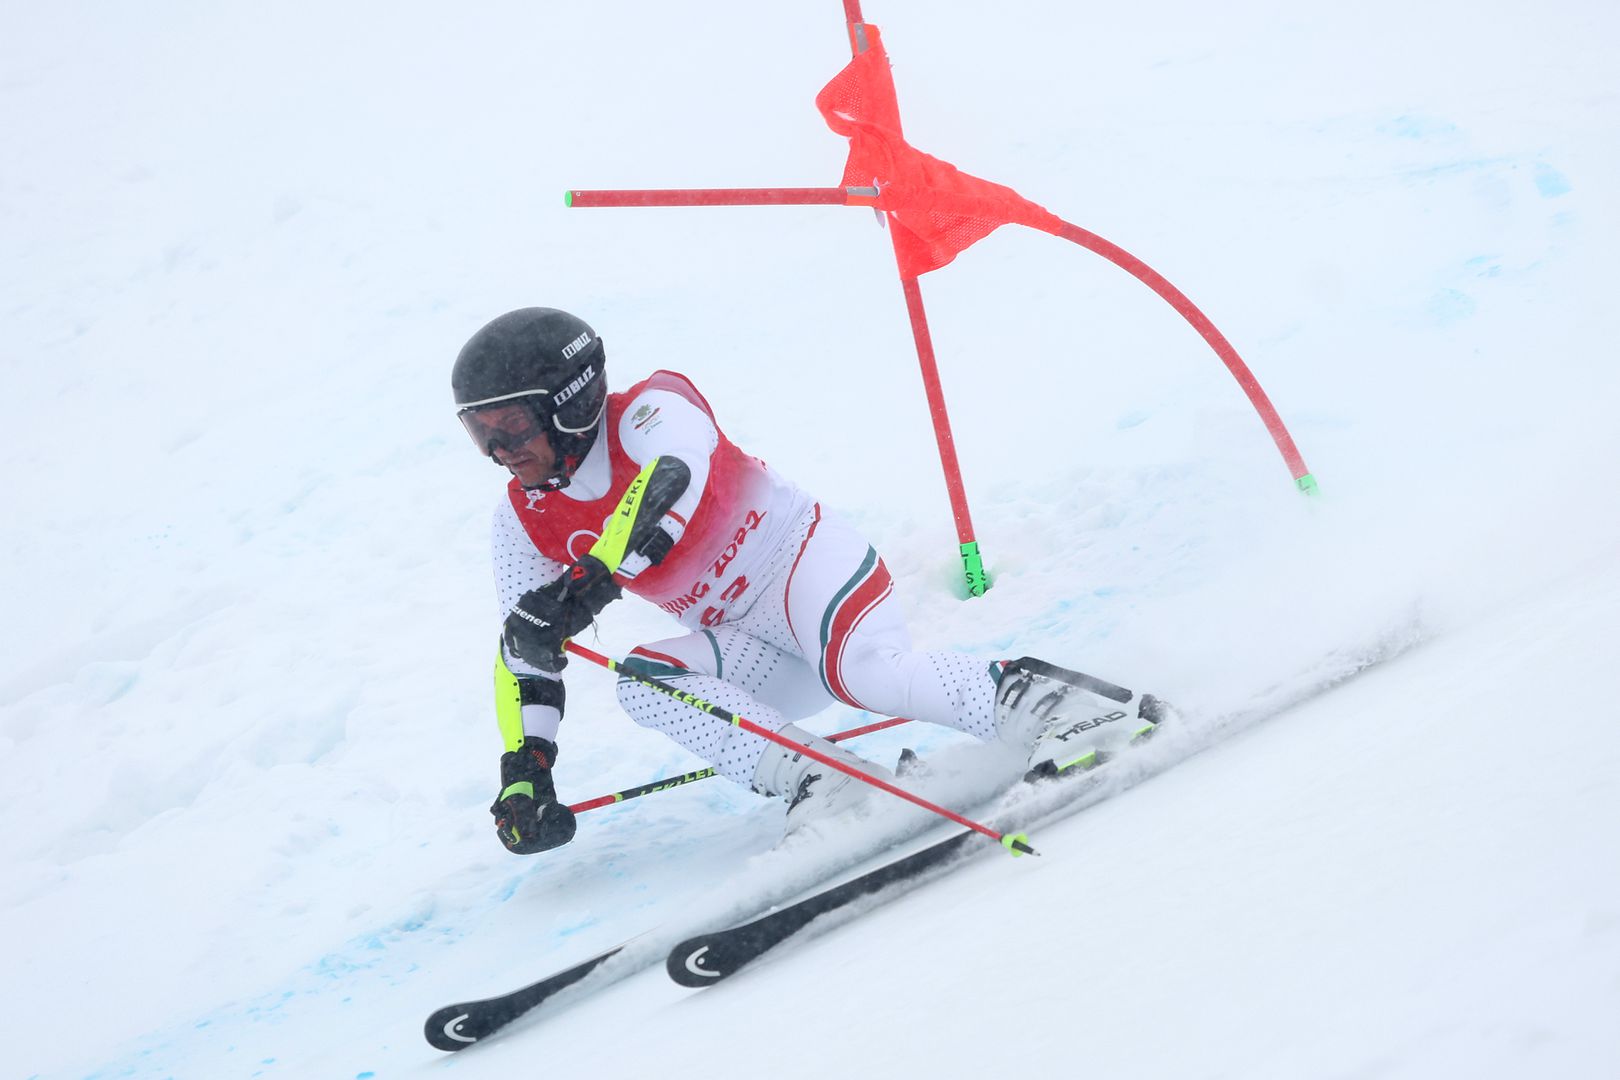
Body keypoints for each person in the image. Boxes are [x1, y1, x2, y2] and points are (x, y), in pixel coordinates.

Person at [453, 307, 1161, 854]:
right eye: (480, 435)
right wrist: (528, 766)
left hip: (806, 569)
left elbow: (672, 480)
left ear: (570, 402)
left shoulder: (651, 408)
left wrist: (593, 582)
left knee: (869, 675)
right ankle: (830, 783)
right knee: (646, 679)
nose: (501, 453)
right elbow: (525, 648)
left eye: (512, 426)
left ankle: (1063, 707)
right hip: (745, 640)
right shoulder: (521, 520)